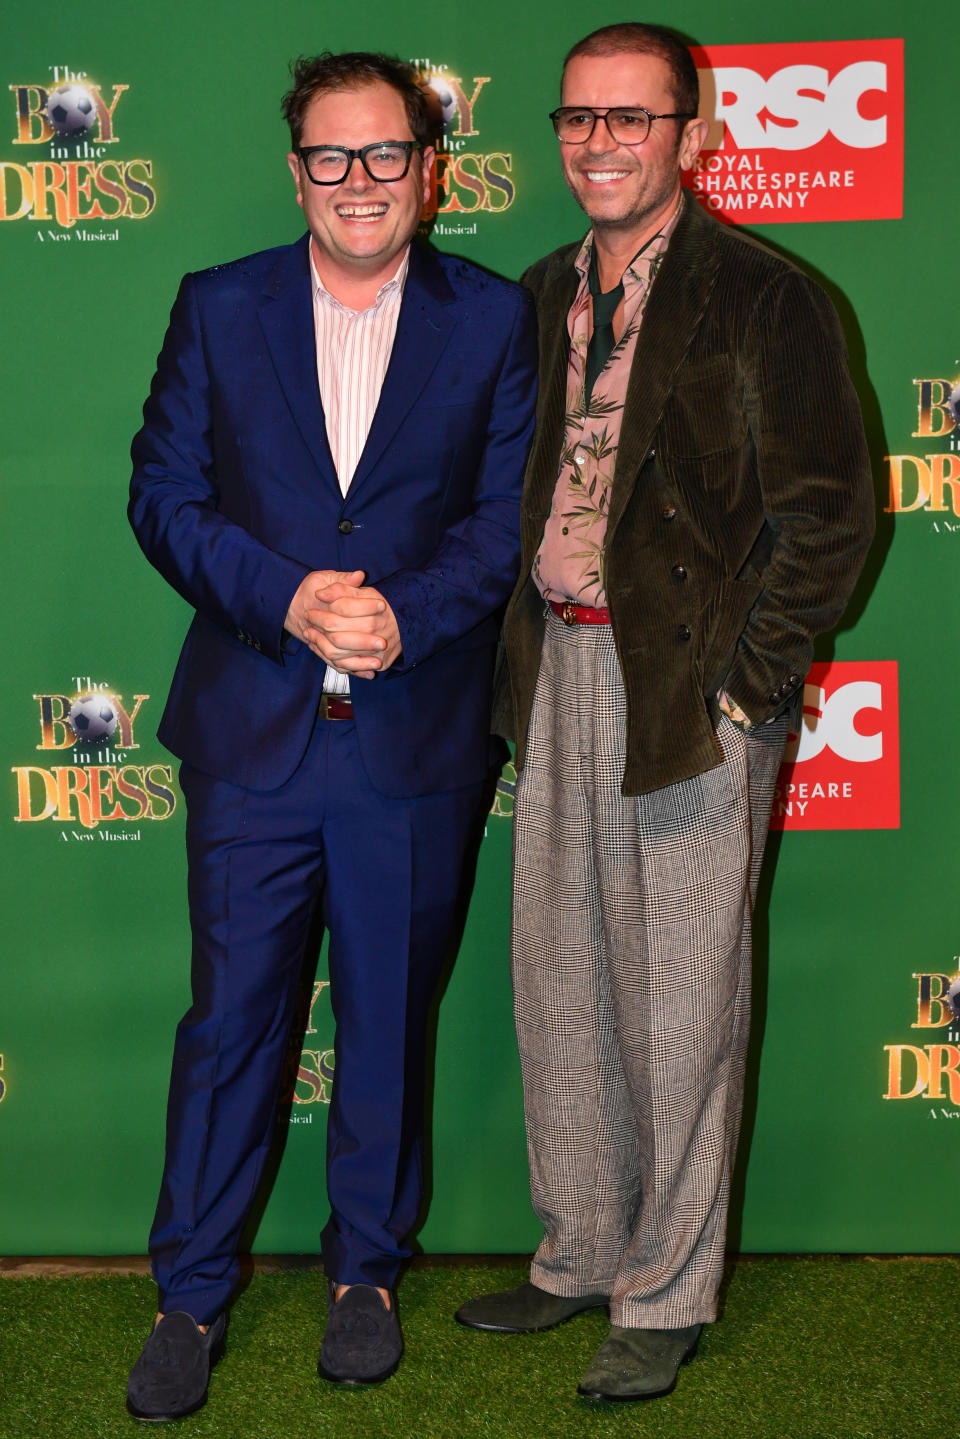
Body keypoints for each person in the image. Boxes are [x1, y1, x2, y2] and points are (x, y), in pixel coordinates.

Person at [455, 22, 874, 1403]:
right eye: (579, 118)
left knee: (684, 996)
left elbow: (828, 516)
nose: (599, 143)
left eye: (632, 119)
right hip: (556, 665)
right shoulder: (530, 294)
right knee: (560, 970)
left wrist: (747, 682)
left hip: (692, 684)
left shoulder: (767, 298)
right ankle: (579, 1249)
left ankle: (669, 1289)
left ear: (694, 135)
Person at [124, 50, 536, 1422]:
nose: (358, 183)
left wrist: (400, 620)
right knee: (231, 1025)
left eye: (385, 157)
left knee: (386, 1030)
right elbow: (166, 495)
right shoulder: (218, 307)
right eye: (330, 157)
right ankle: (190, 1294)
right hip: (254, 732)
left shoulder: (492, 322)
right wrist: (287, 599)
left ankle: (364, 1273)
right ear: (294, 168)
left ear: (431, 172)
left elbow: (503, 520)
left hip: (412, 742)